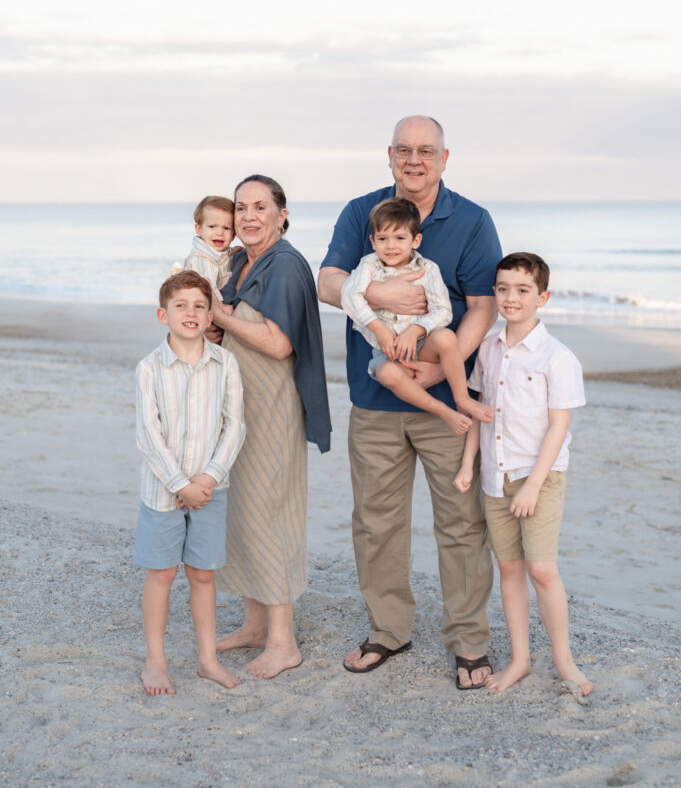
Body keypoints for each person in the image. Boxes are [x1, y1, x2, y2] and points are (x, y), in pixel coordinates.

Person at [318, 115, 501, 687]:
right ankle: (388, 631)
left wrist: (430, 372)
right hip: (374, 399)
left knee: (462, 526)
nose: (414, 159)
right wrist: (372, 291)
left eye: (427, 150)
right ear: (389, 156)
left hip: (446, 398)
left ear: (445, 158)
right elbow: (328, 282)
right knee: (375, 523)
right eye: (404, 150)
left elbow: (482, 304)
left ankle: (469, 642)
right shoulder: (361, 212)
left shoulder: (471, 219)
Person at [210, 175, 332, 679]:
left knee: (271, 513)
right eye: (241, 207)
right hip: (240, 407)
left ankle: (283, 643)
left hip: (274, 406)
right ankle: (255, 626)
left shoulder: (286, 265)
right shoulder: (241, 260)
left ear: (282, 214)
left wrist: (221, 314)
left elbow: (279, 344)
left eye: (261, 206)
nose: (249, 216)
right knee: (242, 513)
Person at [454, 252, 593, 696]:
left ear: (543, 297)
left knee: (543, 570)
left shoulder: (557, 356)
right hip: (495, 475)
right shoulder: (489, 349)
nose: (511, 298)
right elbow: (479, 412)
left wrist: (532, 485)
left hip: (539, 478)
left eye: (522, 290)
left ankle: (565, 662)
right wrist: (466, 463)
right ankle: (520, 659)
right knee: (509, 567)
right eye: (503, 289)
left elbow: (559, 427)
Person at [134, 271, 246, 695]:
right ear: (164, 314)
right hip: (163, 490)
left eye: (200, 305)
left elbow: (234, 425)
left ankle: (207, 660)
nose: (191, 313)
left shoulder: (225, 363)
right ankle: (156, 662)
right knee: (161, 574)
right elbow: (148, 433)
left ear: (210, 314)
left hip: (211, 489)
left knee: (202, 575)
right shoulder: (149, 368)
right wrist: (180, 483)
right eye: (181, 305)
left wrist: (210, 477)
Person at [341, 196, 494, 434]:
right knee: (389, 375)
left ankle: (462, 399)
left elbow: (443, 310)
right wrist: (379, 330)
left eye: (400, 238)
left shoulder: (428, 269)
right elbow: (349, 296)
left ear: (416, 240)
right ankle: (444, 411)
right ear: (372, 241)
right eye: (383, 239)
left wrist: (416, 330)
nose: (391, 246)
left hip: (423, 346)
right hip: (387, 351)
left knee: (446, 338)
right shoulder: (368, 266)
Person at [182, 196, 235, 301]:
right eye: (212, 226)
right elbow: (210, 289)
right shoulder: (202, 258)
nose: (220, 233)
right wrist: (221, 306)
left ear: (234, 235)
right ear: (199, 229)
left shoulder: (219, 253)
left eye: (226, 228)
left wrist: (233, 253)